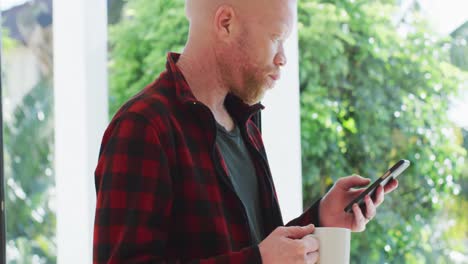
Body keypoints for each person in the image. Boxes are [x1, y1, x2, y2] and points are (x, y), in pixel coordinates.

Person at [93, 0, 399, 263]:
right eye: (275, 37)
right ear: (226, 23)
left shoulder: (246, 122)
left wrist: (321, 218)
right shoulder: (144, 128)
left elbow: (257, 248)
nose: (283, 58)